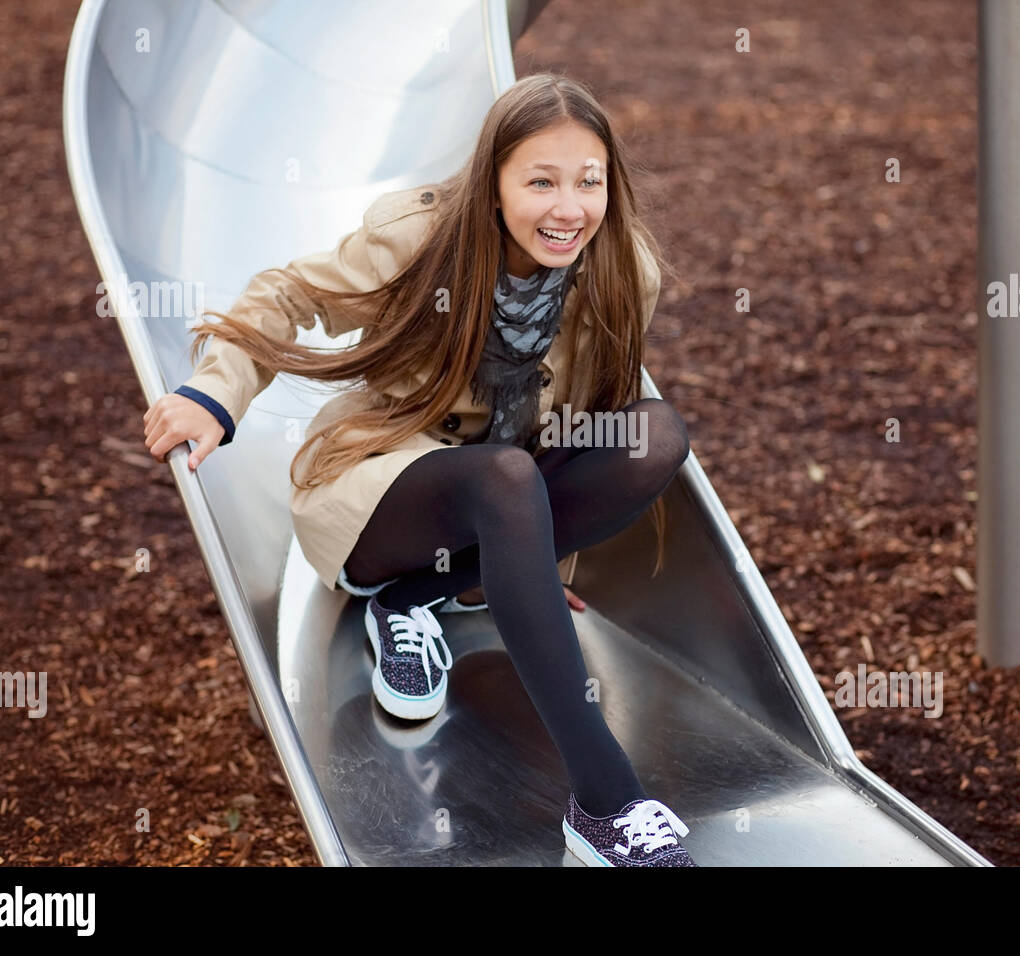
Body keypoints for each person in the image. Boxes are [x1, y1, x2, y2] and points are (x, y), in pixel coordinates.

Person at [141, 73, 696, 866]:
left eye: (588, 181)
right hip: (383, 486)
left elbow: (588, 415)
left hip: (499, 499)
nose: (568, 208)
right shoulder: (422, 238)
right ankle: (606, 802)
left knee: (656, 435)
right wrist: (213, 393)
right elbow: (287, 294)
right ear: (495, 182)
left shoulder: (620, 269)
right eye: (540, 181)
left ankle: (414, 599)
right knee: (502, 476)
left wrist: (531, 565)